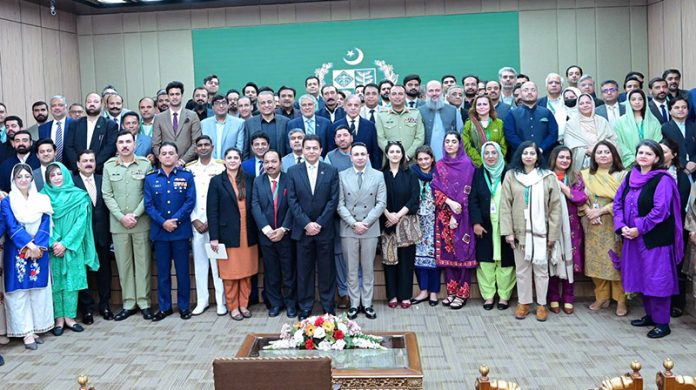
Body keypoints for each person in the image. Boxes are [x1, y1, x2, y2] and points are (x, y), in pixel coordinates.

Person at [614, 140, 683, 338]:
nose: (643, 156)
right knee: (641, 276)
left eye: (649, 153)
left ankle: (662, 323)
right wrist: (622, 226)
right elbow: (618, 202)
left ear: (657, 158)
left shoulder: (663, 179)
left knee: (657, 279)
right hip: (632, 237)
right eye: (640, 152)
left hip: (654, 239)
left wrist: (639, 228)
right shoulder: (630, 176)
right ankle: (650, 316)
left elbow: (660, 210)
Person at [500, 141, 562, 322]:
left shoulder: (547, 176)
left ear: (537, 156)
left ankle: (542, 304)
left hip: (541, 232)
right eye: (525, 153)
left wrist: (553, 235)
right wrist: (508, 232)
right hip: (519, 232)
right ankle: (524, 303)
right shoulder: (512, 176)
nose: (528, 156)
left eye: (532, 153)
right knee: (522, 269)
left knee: (541, 270)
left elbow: (555, 208)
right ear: (520, 155)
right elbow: (505, 205)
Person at [102, 130, 154, 321]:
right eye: (121, 142)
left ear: (134, 144)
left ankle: (144, 303)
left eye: (128, 142)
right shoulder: (109, 166)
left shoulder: (145, 164)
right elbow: (107, 194)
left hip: (140, 222)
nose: (124, 145)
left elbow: (148, 194)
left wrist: (135, 214)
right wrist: (121, 217)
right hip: (118, 225)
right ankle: (128, 303)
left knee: (143, 264)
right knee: (124, 266)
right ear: (116, 145)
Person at [42, 162, 98, 336]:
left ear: (65, 174)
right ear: (48, 179)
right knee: (56, 283)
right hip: (53, 248)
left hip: (73, 247)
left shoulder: (79, 196)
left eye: (59, 174)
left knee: (72, 283)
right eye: (52, 175)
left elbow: (81, 223)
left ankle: (70, 318)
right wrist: (54, 243)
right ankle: (58, 319)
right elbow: (41, 224)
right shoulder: (42, 197)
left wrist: (65, 243)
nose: (57, 178)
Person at [286, 135, 340, 320]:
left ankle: (327, 306)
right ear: (302, 149)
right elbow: (292, 201)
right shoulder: (293, 171)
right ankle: (306, 306)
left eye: (314, 148)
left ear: (321, 150)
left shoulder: (331, 171)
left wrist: (319, 223)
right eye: (307, 148)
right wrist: (307, 224)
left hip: (325, 230)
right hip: (302, 231)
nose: (311, 151)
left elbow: (333, 200)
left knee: (327, 270)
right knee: (304, 271)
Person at [1, 164, 54, 349]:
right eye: (19, 177)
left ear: (32, 178)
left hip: (39, 251)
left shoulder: (42, 199)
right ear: (13, 180)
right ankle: (26, 332)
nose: (23, 180)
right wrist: (28, 245)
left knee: (38, 291)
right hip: (17, 250)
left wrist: (37, 246)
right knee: (19, 293)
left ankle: (38, 327)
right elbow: (11, 225)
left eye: (27, 176)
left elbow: (46, 222)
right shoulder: (7, 201)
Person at [144, 142, 196, 321]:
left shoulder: (186, 176)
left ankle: (184, 307)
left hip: (180, 231)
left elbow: (190, 202)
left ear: (176, 156)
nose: (167, 156)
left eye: (170, 153)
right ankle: (164, 307)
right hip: (160, 233)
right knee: (163, 273)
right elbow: (148, 205)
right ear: (158, 157)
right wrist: (163, 222)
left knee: (182, 272)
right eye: (164, 153)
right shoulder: (150, 178)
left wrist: (175, 220)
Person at [208, 147, 259, 321]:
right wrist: (214, 237)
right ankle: (233, 307)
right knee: (230, 274)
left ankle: (244, 305)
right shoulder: (216, 181)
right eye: (229, 157)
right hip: (227, 234)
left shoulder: (249, 179)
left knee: (246, 272)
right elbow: (212, 211)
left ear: (240, 160)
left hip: (248, 233)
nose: (232, 160)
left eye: (235, 157)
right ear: (224, 160)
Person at [337, 142, 386, 320]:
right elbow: (339, 204)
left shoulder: (378, 176)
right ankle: (354, 304)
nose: (359, 157)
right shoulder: (342, 176)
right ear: (350, 157)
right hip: (349, 228)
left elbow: (381, 203)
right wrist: (353, 223)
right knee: (351, 269)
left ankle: (367, 304)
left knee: (367, 269)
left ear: (368, 156)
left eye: (362, 154)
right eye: (355, 154)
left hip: (370, 228)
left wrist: (365, 222)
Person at [580, 141, 627, 316]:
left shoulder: (623, 175)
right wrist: (589, 212)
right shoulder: (586, 175)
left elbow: (625, 200)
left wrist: (602, 210)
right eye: (599, 152)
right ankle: (602, 297)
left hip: (614, 222)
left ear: (614, 154)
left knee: (615, 262)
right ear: (593, 156)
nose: (603, 155)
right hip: (592, 223)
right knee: (595, 261)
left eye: (607, 152)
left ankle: (621, 300)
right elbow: (579, 197)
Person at [432, 132, 477, 309]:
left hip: (463, 217)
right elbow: (435, 189)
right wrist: (449, 204)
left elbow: (467, 192)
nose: (450, 144)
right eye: (447, 141)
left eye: (453, 141)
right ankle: (451, 292)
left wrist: (455, 216)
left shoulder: (467, 165)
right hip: (444, 215)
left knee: (463, 253)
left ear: (460, 144)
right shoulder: (440, 165)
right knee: (448, 253)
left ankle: (462, 293)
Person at [470, 142, 515, 311]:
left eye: (493, 153)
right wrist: (476, 222)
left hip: (506, 224)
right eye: (486, 153)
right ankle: (488, 297)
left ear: (499, 154)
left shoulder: (509, 172)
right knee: (486, 262)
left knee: (506, 263)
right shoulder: (478, 173)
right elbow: (472, 199)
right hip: (485, 224)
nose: (490, 156)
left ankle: (504, 296)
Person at [251, 150, 296, 318]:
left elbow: (293, 205)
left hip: (286, 235)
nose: (270, 165)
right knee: (271, 272)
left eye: (273, 161)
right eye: (266, 162)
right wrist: (268, 230)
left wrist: (283, 229)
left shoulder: (289, 179)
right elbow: (255, 206)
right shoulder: (258, 182)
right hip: (267, 236)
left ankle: (291, 304)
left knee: (289, 272)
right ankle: (275, 304)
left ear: (280, 163)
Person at [187, 136, 227, 316]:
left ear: (212, 146)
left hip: (215, 225)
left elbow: (224, 197)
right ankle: (202, 301)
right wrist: (194, 219)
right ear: (196, 149)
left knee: (218, 265)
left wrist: (212, 220)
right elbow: (187, 197)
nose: (203, 148)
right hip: (196, 224)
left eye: (206, 145)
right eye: (200, 145)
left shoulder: (221, 168)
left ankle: (221, 301)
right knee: (200, 264)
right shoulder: (189, 170)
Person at [545, 146, 587, 315]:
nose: (564, 160)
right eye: (561, 157)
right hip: (551, 224)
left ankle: (569, 297)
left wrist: (562, 187)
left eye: (567, 158)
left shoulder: (575, 176)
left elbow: (580, 197)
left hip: (571, 227)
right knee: (553, 259)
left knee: (570, 260)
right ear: (554, 158)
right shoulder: (545, 176)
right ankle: (553, 296)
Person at [73, 150, 113, 323]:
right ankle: (87, 310)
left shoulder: (102, 179)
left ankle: (105, 305)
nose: (88, 163)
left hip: (102, 235)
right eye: (85, 161)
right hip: (81, 238)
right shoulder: (72, 183)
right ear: (78, 164)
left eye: (91, 160)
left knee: (104, 272)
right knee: (84, 274)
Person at [381, 141, 420, 309]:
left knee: (406, 261)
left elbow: (414, 198)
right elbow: (376, 197)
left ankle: (405, 296)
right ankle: (392, 295)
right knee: (390, 261)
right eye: (392, 151)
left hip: (406, 223)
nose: (395, 154)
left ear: (403, 154)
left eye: (398, 151)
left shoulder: (410, 174)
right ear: (387, 154)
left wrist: (398, 215)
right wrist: (388, 214)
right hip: (387, 221)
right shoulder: (381, 175)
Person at [659, 139, 691, 318]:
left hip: (676, 225)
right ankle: (658, 301)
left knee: (676, 264)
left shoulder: (681, 175)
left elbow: (685, 201)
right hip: (656, 226)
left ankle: (677, 303)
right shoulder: (649, 173)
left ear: (674, 154)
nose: (661, 155)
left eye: (665, 152)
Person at [409, 146, 440, 307]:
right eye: (420, 159)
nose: (423, 162)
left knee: (433, 256)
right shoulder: (412, 173)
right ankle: (423, 291)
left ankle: (434, 292)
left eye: (426, 159)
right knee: (419, 256)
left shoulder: (439, 174)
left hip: (435, 219)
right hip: (417, 219)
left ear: (432, 159)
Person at [503, 82, 558, 163]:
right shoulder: (512, 113)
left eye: (533, 90)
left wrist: (541, 148)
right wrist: (525, 150)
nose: (529, 92)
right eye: (526, 90)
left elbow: (553, 134)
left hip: (544, 157)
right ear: (521, 94)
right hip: (519, 158)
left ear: (537, 93)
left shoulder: (546, 112)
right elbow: (510, 135)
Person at [64, 93, 118, 173]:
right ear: (85, 104)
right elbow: (69, 147)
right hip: (77, 172)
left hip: (100, 171)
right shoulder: (75, 124)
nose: (92, 104)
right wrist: (78, 166)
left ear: (102, 105)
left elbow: (109, 148)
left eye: (96, 102)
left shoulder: (110, 125)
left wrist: (93, 166)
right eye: (89, 102)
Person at [152, 81, 203, 165]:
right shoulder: (159, 118)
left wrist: (182, 161)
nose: (174, 97)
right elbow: (155, 144)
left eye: (177, 94)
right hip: (165, 165)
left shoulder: (192, 116)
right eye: (172, 94)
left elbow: (196, 143)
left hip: (188, 164)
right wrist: (166, 159)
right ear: (168, 96)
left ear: (182, 95)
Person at [563, 93, 617, 170]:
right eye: (581, 103)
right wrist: (586, 151)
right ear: (577, 106)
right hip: (583, 164)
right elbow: (570, 145)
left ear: (593, 104)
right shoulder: (571, 124)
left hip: (604, 161)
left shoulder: (602, 121)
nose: (585, 105)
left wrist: (599, 148)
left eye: (588, 102)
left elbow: (613, 139)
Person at [375, 85, 425, 162]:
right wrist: (393, 154)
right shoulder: (381, 115)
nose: (397, 96)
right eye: (394, 94)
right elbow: (380, 139)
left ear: (405, 96)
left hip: (411, 161)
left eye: (400, 94)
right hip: (390, 162)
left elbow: (420, 137)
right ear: (389, 96)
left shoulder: (415, 113)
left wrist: (408, 155)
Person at [614, 89, 662, 167]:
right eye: (633, 99)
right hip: (629, 164)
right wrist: (633, 159)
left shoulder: (654, 121)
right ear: (628, 102)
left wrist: (648, 157)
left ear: (645, 101)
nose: (637, 102)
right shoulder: (620, 122)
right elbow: (618, 143)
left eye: (640, 99)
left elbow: (658, 141)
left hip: (651, 164)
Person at [418, 80, 464, 160]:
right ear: (426, 93)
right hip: (426, 160)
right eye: (431, 91)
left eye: (437, 90)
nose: (434, 93)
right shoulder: (419, 111)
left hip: (449, 158)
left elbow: (461, 134)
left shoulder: (453, 110)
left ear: (442, 91)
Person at [462, 95, 506, 167]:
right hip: (477, 165)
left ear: (490, 106)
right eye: (479, 104)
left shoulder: (499, 123)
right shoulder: (469, 124)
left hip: (498, 165)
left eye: (485, 104)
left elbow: (503, 144)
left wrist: (495, 160)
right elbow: (466, 145)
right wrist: (480, 162)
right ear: (475, 107)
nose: (482, 107)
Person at [200, 95, 245, 160]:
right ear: (212, 107)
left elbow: (239, 147)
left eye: (223, 103)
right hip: (209, 164)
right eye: (217, 104)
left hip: (230, 164)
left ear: (228, 105)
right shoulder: (204, 124)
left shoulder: (239, 123)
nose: (221, 106)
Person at [661, 97, 696, 175]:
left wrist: (693, 162)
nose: (681, 110)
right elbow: (666, 151)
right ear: (670, 111)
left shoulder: (694, 126)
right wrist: (685, 163)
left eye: (684, 107)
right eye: (677, 108)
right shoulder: (664, 128)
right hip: (676, 169)